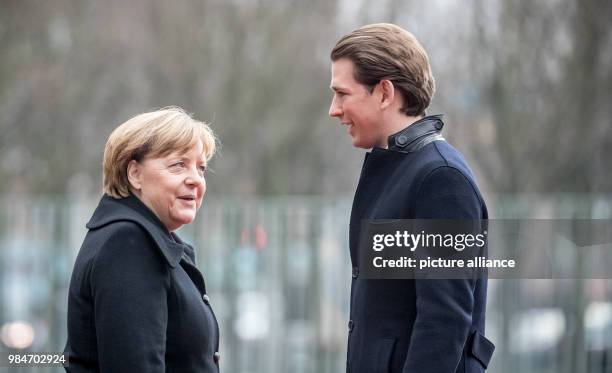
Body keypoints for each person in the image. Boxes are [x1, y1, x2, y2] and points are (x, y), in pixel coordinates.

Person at [328, 24, 495, 373]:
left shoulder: (441, 179)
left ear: (385, 92)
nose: (334, 109)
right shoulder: (403, 170)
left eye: (343, 94)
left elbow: (443, 323)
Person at [64, 107, 220, 372]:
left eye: (201, 168)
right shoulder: (128, 244)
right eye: (178, 165)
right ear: (134, 174)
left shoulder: (141, 239)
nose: (196, 179)